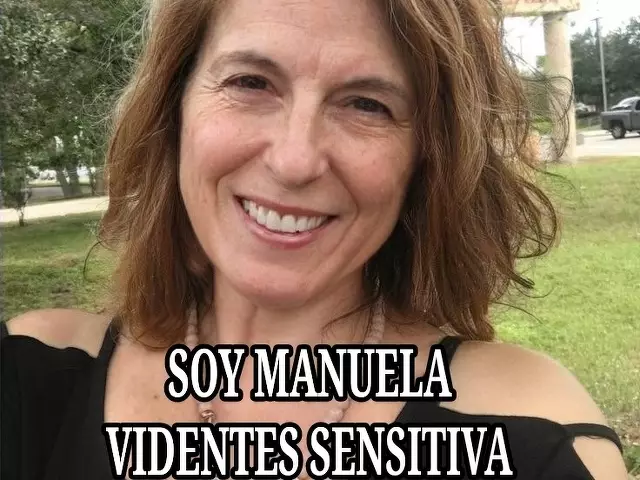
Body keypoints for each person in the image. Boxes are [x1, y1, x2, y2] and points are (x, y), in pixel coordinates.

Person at [0, 0, 629, 478]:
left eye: (367, 104)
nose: (294, 160)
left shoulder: (531, 435)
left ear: (427, 159)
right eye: (250, 83)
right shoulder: (33, 380)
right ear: (174, 111)